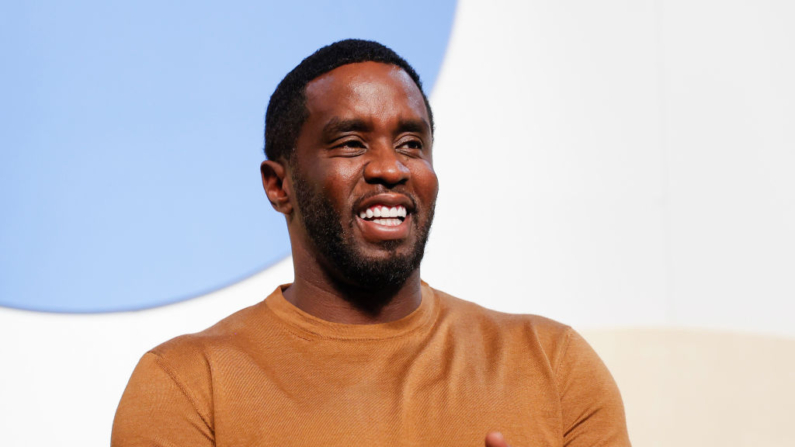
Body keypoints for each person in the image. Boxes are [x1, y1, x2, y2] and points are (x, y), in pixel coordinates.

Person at [112, 39, 631, 447]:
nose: (390, 168)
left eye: (411, 144)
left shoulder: (553, 363)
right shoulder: (187, 385)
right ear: (279, 184)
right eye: (351, 143)